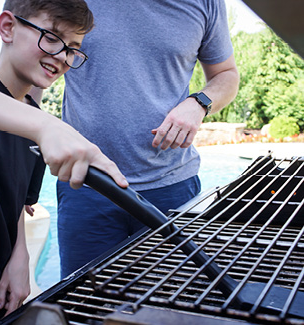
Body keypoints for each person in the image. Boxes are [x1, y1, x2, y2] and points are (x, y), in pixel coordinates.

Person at [57, 0, 240, 279]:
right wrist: (24, 182)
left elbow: (227, 75)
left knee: (173, 303)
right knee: (80, 304)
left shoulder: (207, 3)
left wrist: (200, 103)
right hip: (85, 184)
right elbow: (33, 75)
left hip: (173, 187)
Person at [0, 1, 128, 323]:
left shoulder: (37, 124)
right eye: (51, 37)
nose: (62, 56)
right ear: (8, 27)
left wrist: (21, 257)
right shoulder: (36, 123)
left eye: (73, 49)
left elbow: (17, 202)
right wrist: (47, 126)